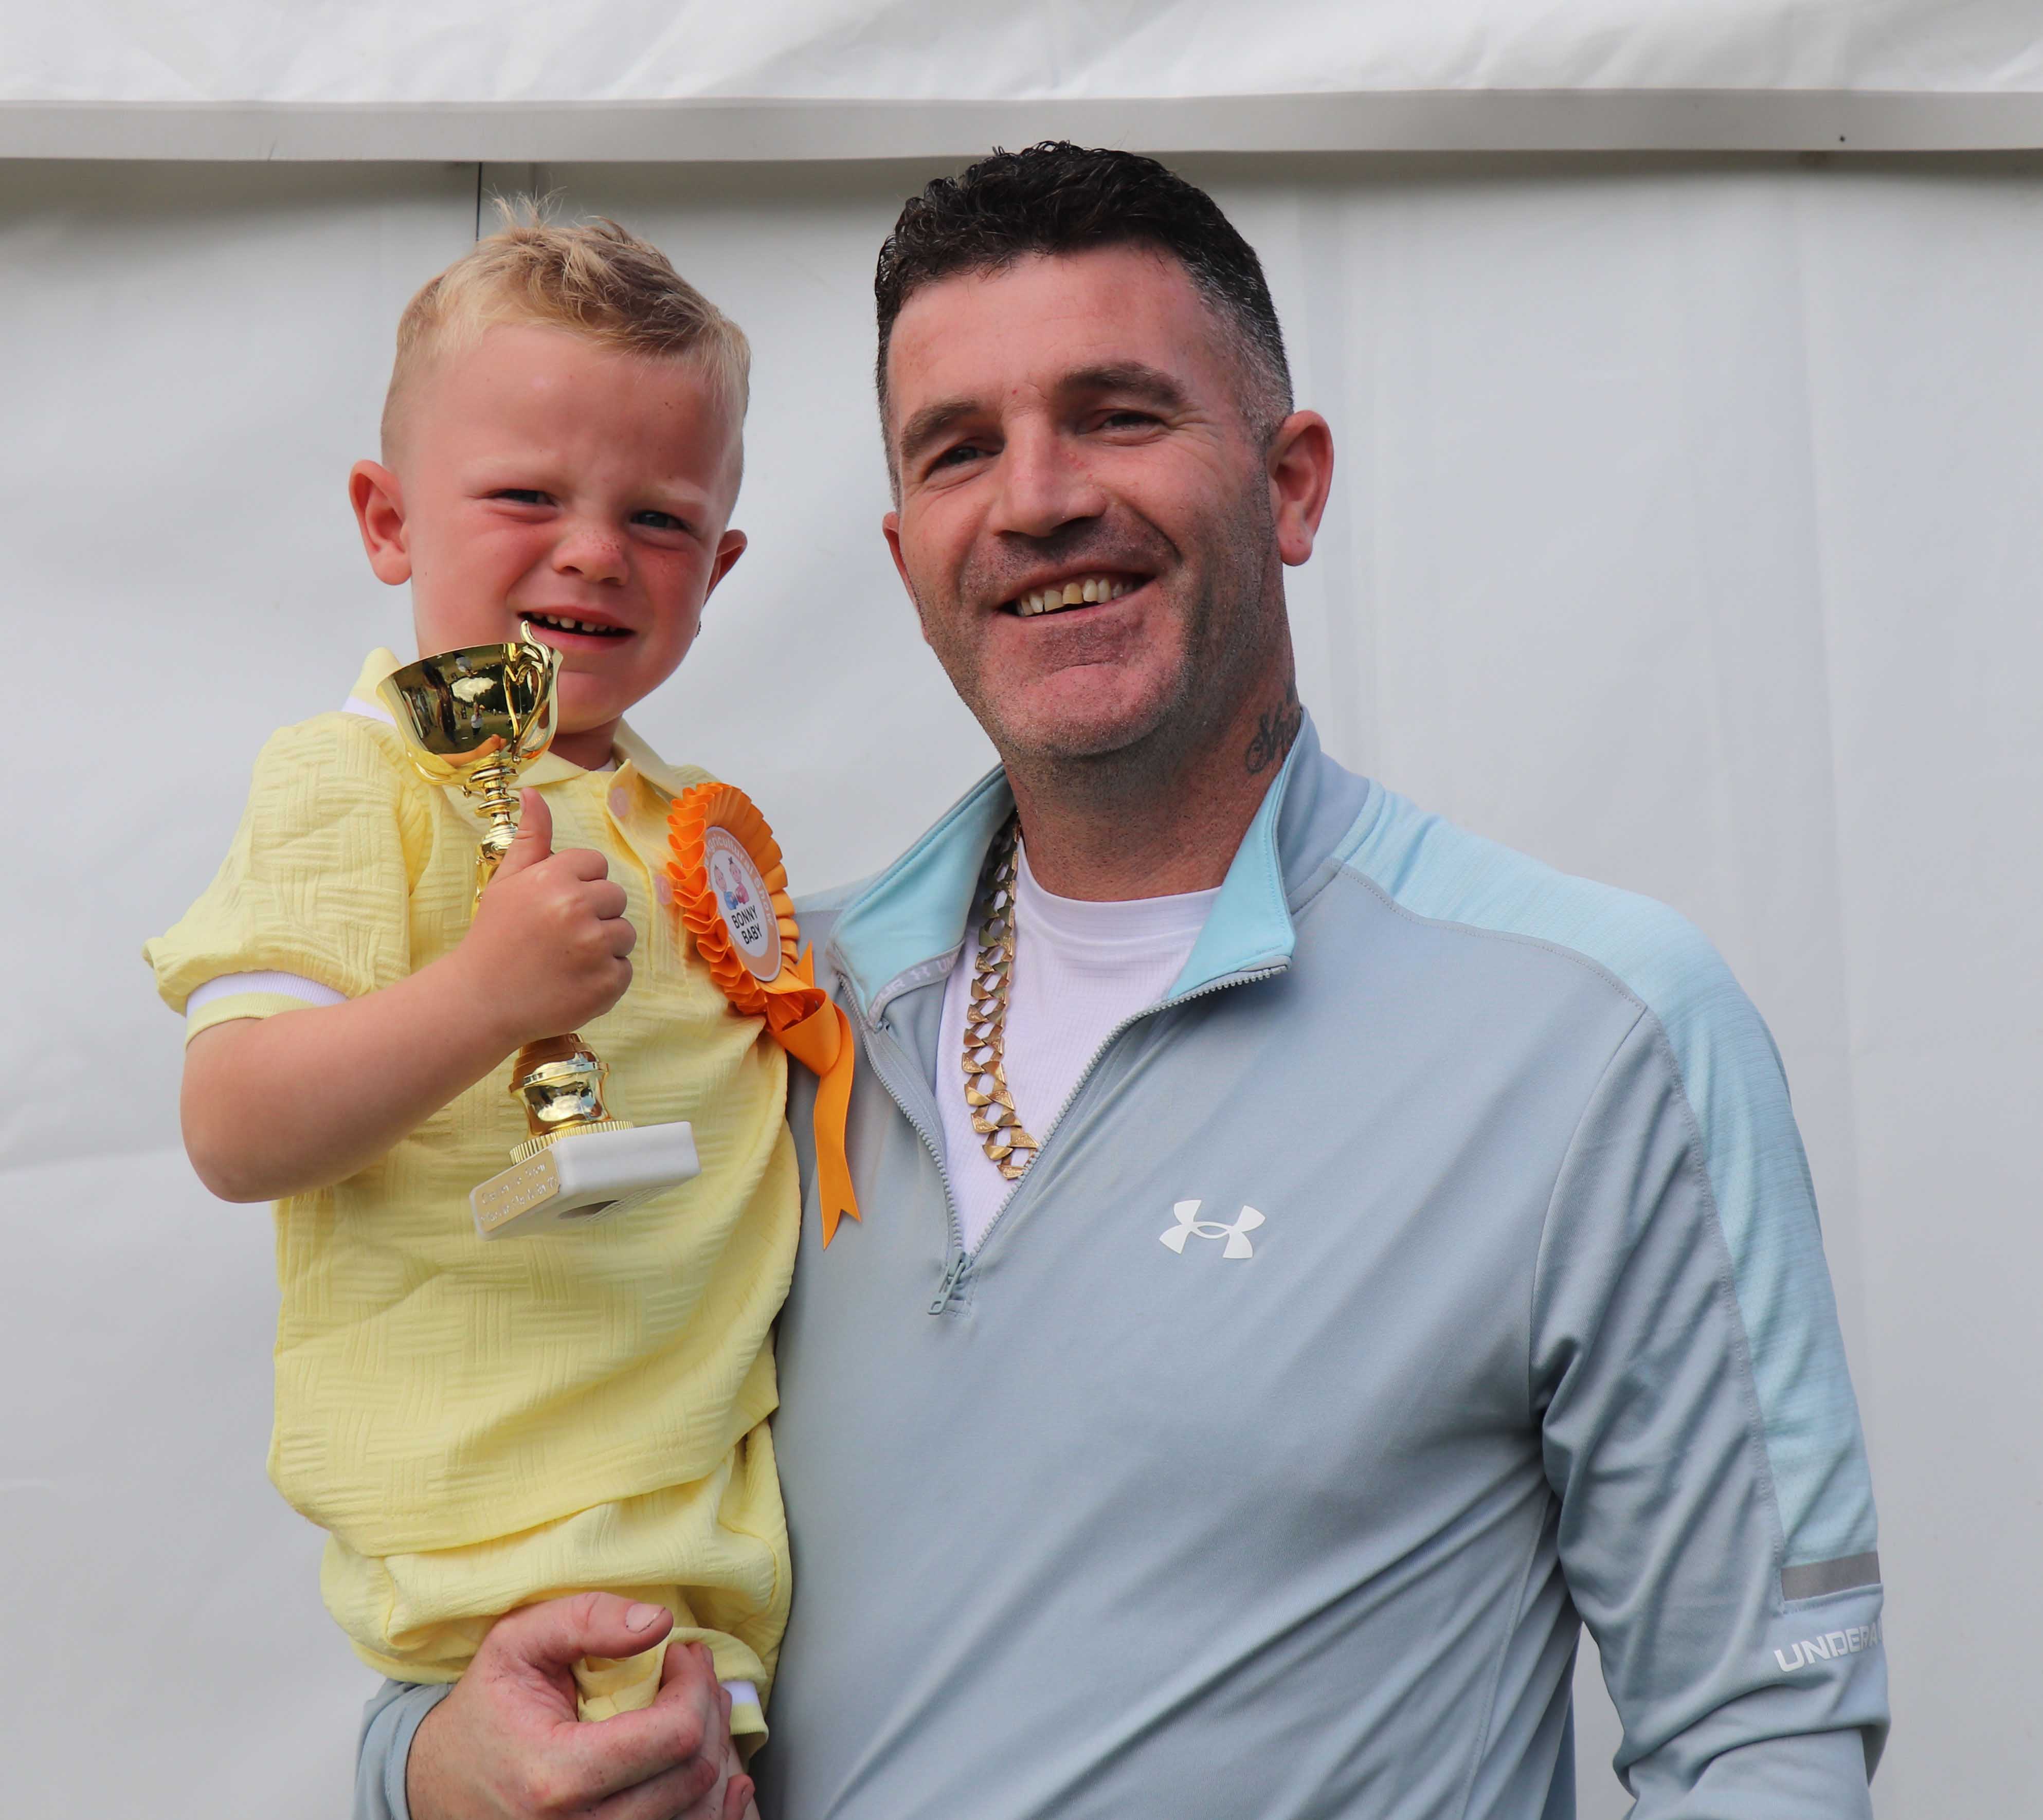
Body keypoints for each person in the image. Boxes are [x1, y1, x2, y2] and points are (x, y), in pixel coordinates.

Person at [368, 146, 1889, 1818]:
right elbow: (508, 1552)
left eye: (1117, 414)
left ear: (1292, 484)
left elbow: (1763, 1738)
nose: (1036, 499)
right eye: (961, 447)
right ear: (906, 553)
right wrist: (434, 1764)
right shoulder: (755, 1006)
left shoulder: (1598, 1033)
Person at [148, 213, 810, 1820]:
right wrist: (481, 995)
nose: (593, 552)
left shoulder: (694, 823)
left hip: (718, 1564)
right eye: (527, 497)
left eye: (658, 517)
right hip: (504, 1572)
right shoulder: (353, 778)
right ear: (388, 519)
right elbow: (234, 1123)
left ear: (720, 569)